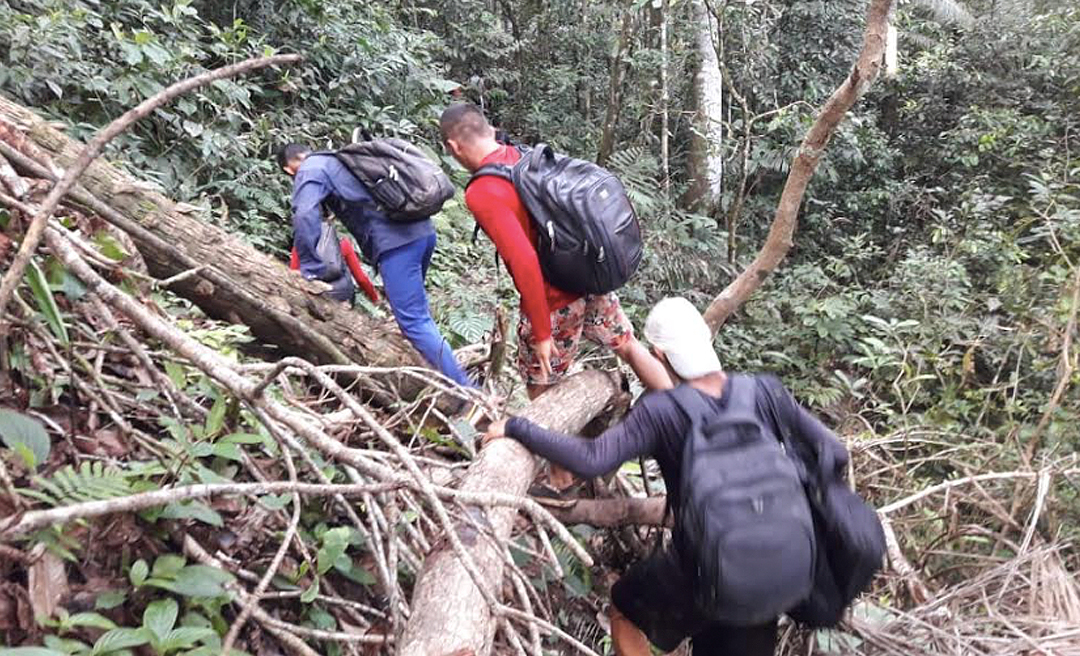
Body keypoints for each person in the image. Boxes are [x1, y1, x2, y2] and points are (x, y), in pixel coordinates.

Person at [484, 297, 838, 655]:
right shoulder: (763, 391)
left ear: (660, 355)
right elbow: (833, 453)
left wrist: (518, 427)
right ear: (706, 339)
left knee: (626, 609)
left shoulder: (663, 411)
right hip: (787, 556)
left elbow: (592, 459)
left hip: (710, 562)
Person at [439, 103, 672, 492]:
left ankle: (561, 477)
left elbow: (525, 262)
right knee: (629, 346)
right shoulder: (521, 155)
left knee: (540, 385)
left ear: (453, 147)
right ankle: (687, 407)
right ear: (491, 130)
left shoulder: (484, 190)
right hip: (588, 276)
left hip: (553, 298)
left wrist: (543, 331)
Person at [276, 143, 476, 388]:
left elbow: (305, 214)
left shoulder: (309, 170)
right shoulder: (337, 160)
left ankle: (466, 394)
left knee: (414, 321)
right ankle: (439, 378)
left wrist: (311, 269)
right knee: (416, 317)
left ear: (288, 169)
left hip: (397, 245)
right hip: (422, 233)